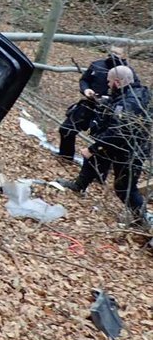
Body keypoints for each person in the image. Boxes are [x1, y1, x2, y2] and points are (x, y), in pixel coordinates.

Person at [57, 65, 151, 225]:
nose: (107, 85)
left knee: (124, 188)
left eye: (109, 82)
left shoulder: (131, 101)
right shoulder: (130, 93)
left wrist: (92, 148)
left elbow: (119, 132)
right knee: (94, 158)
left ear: (118, 82)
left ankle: (144, 220)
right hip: (120, 144)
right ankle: (79, 185)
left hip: (130, 150)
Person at [58, 47, 140, 159]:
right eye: (112, 52)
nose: (113, 55)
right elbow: (84, 80)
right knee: (66, 129)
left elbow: (133, 93)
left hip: (110, 111)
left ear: (124, 55)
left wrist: (113, 101)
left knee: (103, 140)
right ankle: (65, 156)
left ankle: (95, 167)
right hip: (90, 104)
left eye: (117, 53)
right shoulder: (97, 65)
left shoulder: (128, 72)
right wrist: (86, 89)